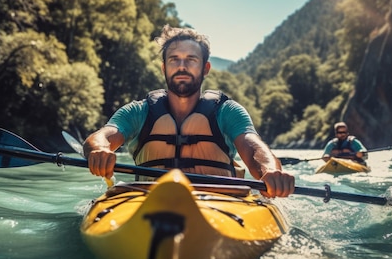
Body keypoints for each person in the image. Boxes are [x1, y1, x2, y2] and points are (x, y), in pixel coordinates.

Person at [82, 25, 294, 198]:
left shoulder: (227, 112)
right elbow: (100, 137)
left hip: (220, 205)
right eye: (174, 59)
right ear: (164, 68)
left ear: (205, 69)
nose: (182, 66)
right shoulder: (138, 111)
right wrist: (99, 150)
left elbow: (253, 147)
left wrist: (269, 170)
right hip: (148, 201)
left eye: (191, 59)